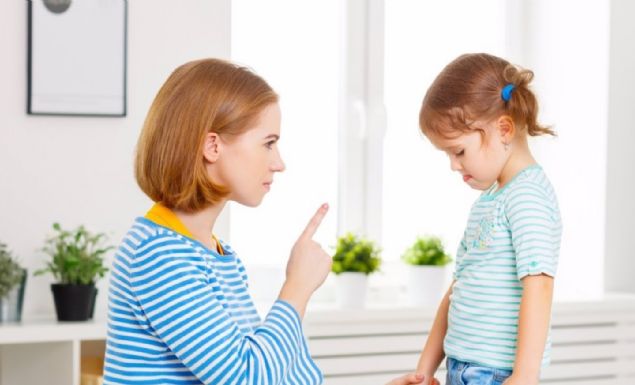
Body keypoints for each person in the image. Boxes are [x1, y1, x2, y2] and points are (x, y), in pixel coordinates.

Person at [103, 57, 438, 385]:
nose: (278, 163)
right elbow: (248, 378)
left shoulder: (217, 256)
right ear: (212, 146)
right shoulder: (158, 254)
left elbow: (279, 375)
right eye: (268, 143)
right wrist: (297, 287)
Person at [413, 53, 562, 385]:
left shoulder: (528, 196)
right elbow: (458, 290)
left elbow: (539, 286)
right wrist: (425, 368)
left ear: (504, 130)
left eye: (459, 151)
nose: (454, 165)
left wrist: (524, 374)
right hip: (462, 366)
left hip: (496, 374)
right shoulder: (490, 199)